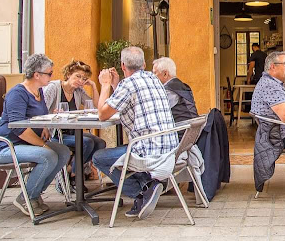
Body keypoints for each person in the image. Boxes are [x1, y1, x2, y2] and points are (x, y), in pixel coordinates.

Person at [93, 46, 179, 220]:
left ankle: (142, 191)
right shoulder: (153, 79)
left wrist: (105, 86)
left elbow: (102, 114)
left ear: (123, 66)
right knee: (122, 153)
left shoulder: (129, 84)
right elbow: (131, 98)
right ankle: (148, 187)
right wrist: (117, 85)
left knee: (99, 157)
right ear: (145, 64)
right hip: (169, 150)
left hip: (148, 151)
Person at [0, 54, 71, 216]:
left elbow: (36, 117)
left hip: (25, 144)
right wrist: (42, 144)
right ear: (36, 74)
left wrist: (44, 126)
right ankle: (26, 197)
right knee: (49, 155)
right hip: (5, 146)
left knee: (63, 151)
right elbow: (18, 127)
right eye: (49, 73)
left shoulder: (38, 91)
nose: (51, 76)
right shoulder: (17, 93)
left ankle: (34, 193)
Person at [43, 59, 106, 192]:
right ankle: (74, 177)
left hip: (73, 132)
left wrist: (94, 86)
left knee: (100, 143)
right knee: (87, 142)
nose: (80, 81)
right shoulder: (53, 88)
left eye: (84, 79)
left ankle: (70, 171)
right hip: (55, 134)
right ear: (68, 74)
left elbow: (95, 106)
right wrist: (51, 115)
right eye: (78, 76)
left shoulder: (78, 91)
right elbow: (41, 111)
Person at [153, 57, 199, 127]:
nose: (153, 77)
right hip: (192, 132)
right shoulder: (184, 87)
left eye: (155, 73)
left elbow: (156, 115)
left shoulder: (168, 91)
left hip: (179, 133)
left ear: (165, 74)